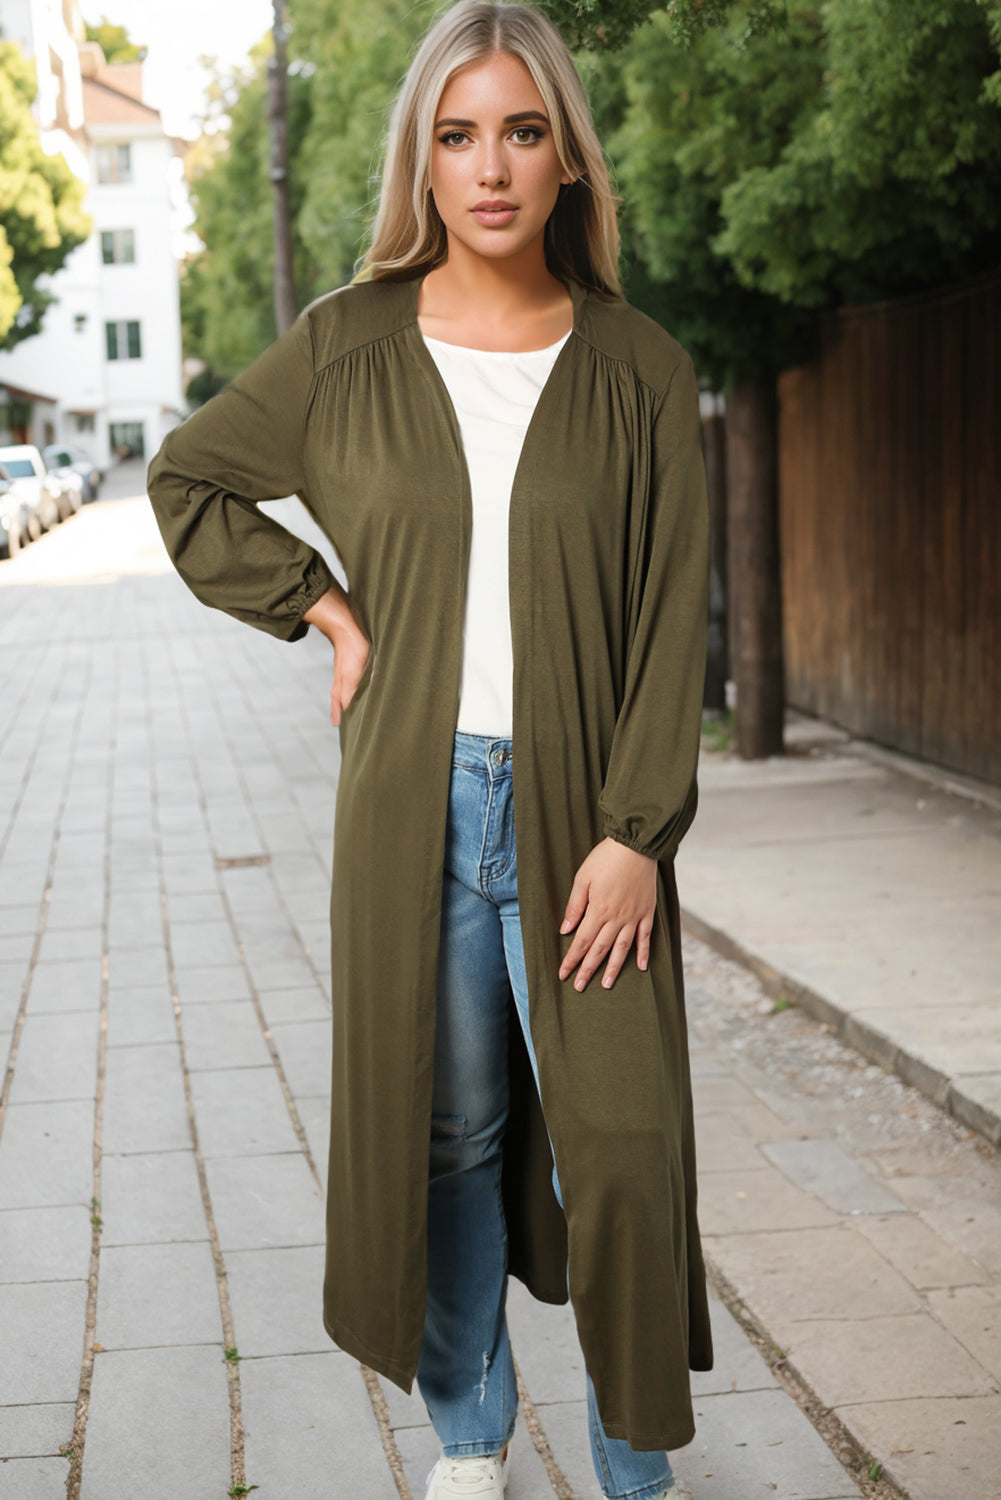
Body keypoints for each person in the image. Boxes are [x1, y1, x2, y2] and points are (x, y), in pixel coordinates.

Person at [146, 3, 713, 1497]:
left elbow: (671, 620)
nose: (491, 167)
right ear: (423, 158)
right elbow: (191, 479)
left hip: (587, 820)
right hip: (415, 807)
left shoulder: (640, 370)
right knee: (446, 1138)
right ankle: (470, 1437)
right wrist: (322, 608)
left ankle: (632, 1464)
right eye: (458, 136)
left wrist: (638, 833)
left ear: (567, 158)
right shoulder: (346, 345)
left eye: (522, 132)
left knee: (621, 1149)